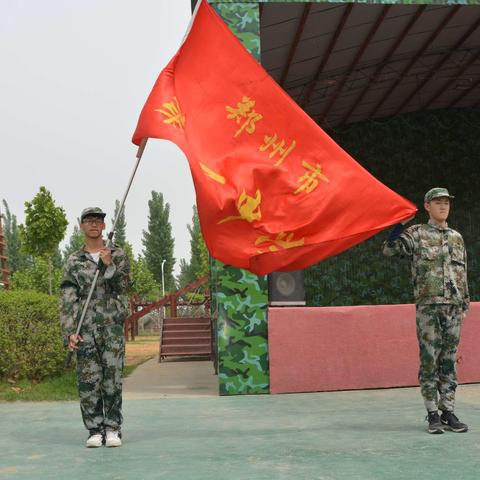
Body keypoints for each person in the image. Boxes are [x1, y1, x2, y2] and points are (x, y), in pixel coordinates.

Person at [383, 187, 469, 434]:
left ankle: (448, 410)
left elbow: (463, 273)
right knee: (430, 360)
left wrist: (464, 303)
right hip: (429, 307)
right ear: (427, 206)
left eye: (446, 202)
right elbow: (389, 249)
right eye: (438, 202)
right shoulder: (417, 234)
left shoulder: (456, 237)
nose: (443, 206)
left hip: (453, 307)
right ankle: (432, 412)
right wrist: (399, 225)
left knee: (449, 361)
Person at [60, 207, 130, 448]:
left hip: (111, 326)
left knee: (112, 378)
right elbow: (68, 298)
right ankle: (94, 429)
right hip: (85, 326)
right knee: (88, 381)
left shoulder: (116, 253)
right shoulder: (73, 260)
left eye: (97, 221)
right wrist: (69, 332)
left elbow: (123, 287)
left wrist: (109, 265)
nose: (93, 225)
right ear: (81, 226)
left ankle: (112, 428)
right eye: (88, 221)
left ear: (103, 225)